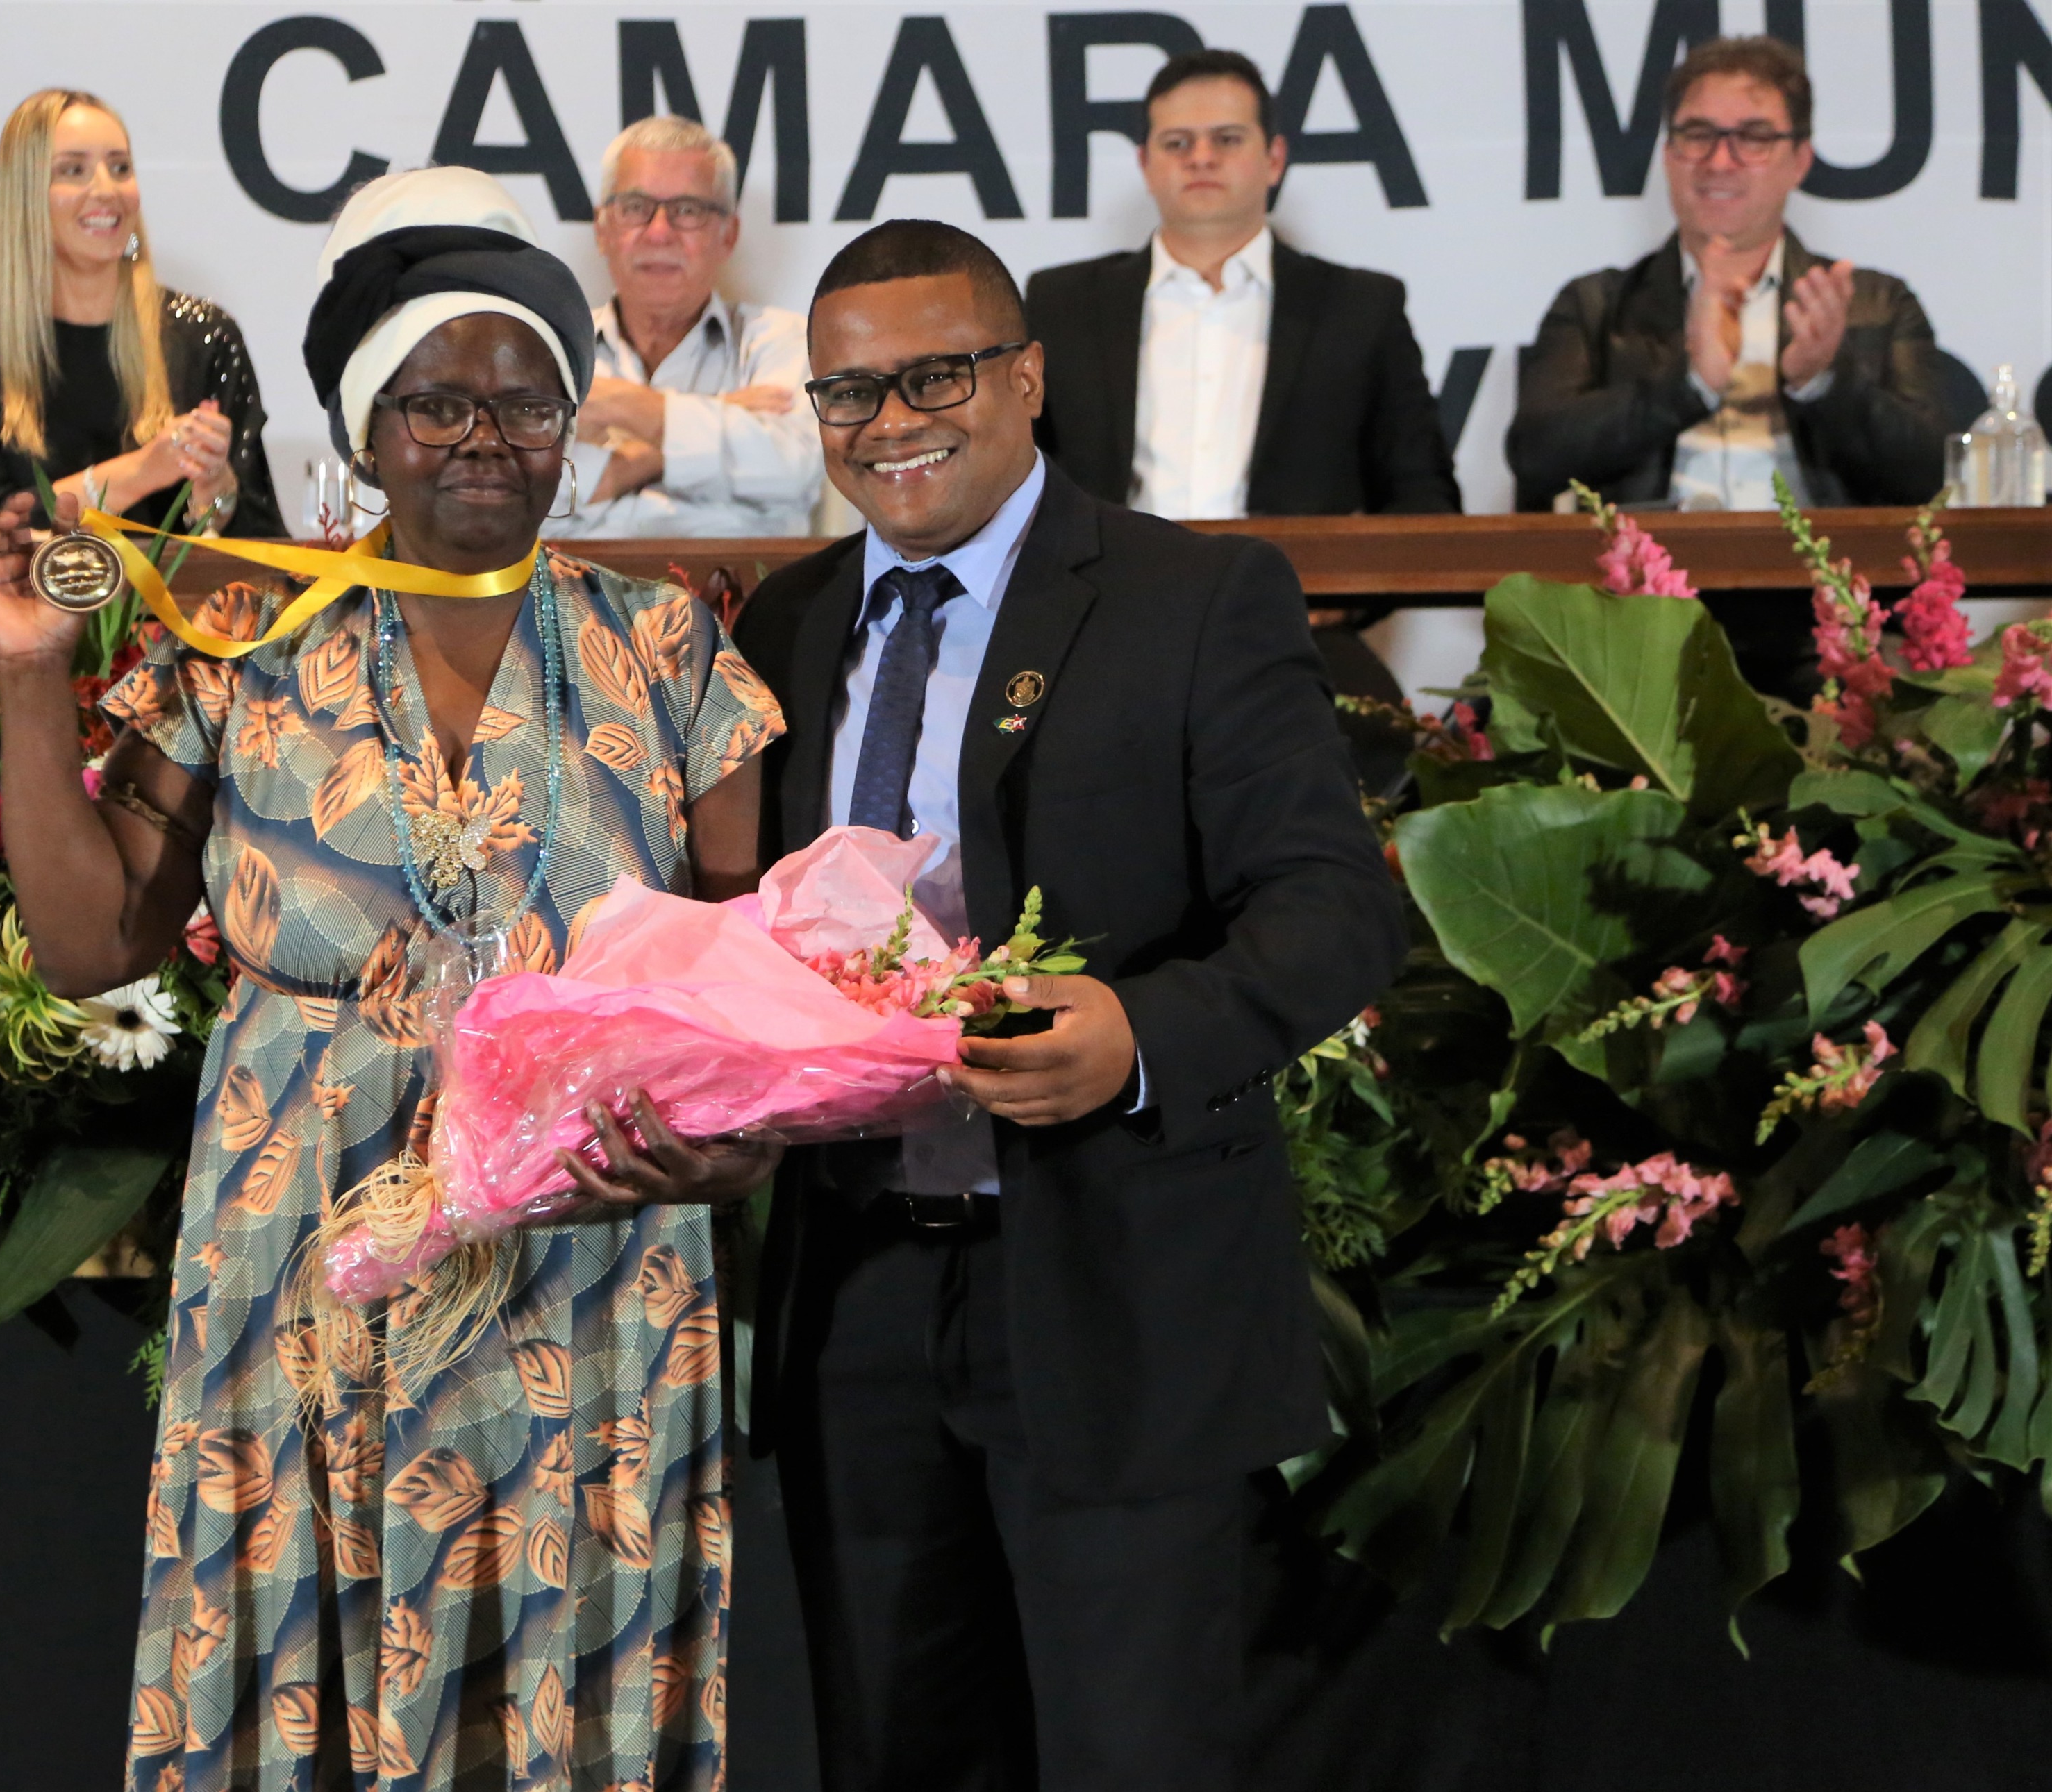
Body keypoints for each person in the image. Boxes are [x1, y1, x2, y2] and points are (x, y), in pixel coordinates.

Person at [0, 165, 786, 1791]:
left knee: (563, 1656)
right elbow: (88, 940)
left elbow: (746, 965)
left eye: (524, 401)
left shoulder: (669, 645)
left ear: (570, 424)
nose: (485, 437)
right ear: (362, 427)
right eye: (436, 404)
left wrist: (737, 1137)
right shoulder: (250, 637)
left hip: (591, 1242)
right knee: (304, 1667)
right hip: (306, 1238)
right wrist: (33, 676)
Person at [732, 219, 1403, 1792]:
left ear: (1027, 376)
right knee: (890, 1753)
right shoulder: (786, 624)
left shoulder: (1196, 596)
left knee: (1132, 1754)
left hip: (1115, 1290)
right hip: (862, 1299)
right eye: (847, 392)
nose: (891, 421)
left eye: (936, 374)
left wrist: (1140, 1034)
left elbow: (1338, 908)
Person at [1507, 35, 1949, 515]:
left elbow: (1933, 473)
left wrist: (1824, 382)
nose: (1720, 162)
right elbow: (1535, 458)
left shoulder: (1877, 304)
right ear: (1669, 155)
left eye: (1754, 138)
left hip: (1819, 579)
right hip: (1643, 582)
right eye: (1698, 135)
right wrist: (1689, 384)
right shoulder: (1595, 305)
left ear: (1800, 160)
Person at [1025, 49, 1458, 519]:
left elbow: (1422, 494)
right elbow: (1009, 479)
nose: (1202, 159)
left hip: (1302, 589)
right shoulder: (1062, 306)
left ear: (1274, 159)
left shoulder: (1362, 309)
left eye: (1227, 139)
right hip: (1110, 588)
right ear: (1146, 164)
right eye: (1177, 143)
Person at [0, 88, 283, 544]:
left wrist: (214, 488)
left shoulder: (204, 335)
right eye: (74, 170)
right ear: (25, 196)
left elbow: (261, 542)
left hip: (170, 615)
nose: (107, 190)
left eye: (120, 167)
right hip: (13, 612)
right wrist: (142, 471)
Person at [562, 115, 825, 537]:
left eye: (687, 210)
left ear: (729, 234)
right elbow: (525, 501)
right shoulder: (553, 353)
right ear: (602, 230)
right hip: (574, 599)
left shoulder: (783, 341)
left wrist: (623, 407)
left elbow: (798, 472)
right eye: (635, 208)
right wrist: (719, 420)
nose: (660, 232)